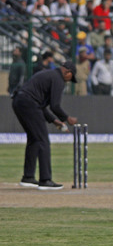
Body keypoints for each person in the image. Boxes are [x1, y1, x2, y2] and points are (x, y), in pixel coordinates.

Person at [11, 61, 78, 190]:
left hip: (19, 101)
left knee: (34, 139)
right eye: (71, 77)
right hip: (28, 103)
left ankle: (28, 177)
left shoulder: (48, 74)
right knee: (43, 140)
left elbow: (39, 104)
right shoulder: (58, 79)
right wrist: (67, 118)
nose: (69, 81)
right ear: (67, 72)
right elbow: (55, 106)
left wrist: (53, 120)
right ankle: (45, 179)